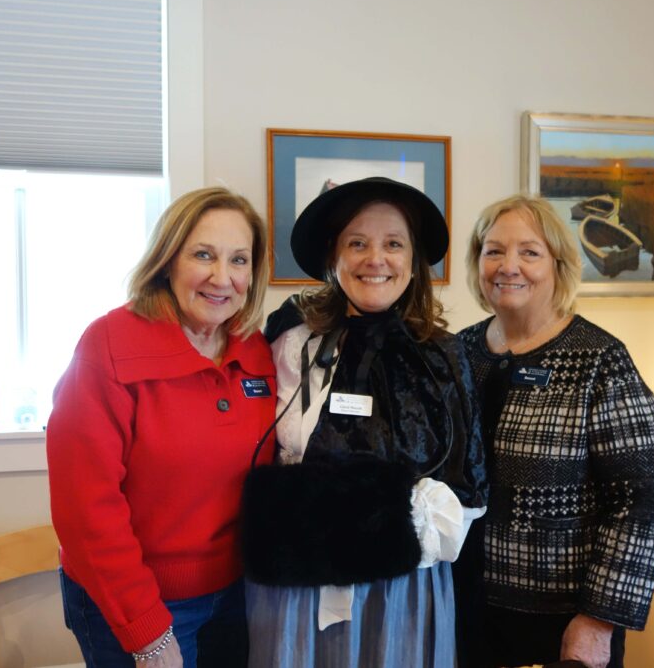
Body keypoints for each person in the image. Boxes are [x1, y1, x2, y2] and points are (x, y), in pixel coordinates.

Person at [242, 177, 489, 668]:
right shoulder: (289, 342)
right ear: (334, 256)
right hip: (295, 588)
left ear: (413, 260)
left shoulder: (443, 355)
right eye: (357, 243)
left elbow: (468, 482)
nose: (376, 259)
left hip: (403, 590)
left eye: (393, 244)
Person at [46, 187, 276, 668]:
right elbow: (86, 512)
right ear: (167, 259)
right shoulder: (108, 345)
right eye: (203, 255)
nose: (222, 277)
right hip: (136, 600)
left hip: (234, 595)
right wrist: (148, 632)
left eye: (239, 260)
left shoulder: (255, 349)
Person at [454, 194, 654, 668]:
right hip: (463, 609)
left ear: (558, 265)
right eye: (494, 251)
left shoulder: (600, 360)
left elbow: (643, 500)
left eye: (529, 252)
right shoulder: (458, 353)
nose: (508, 266)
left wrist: (599, 619)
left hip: (561, 624)